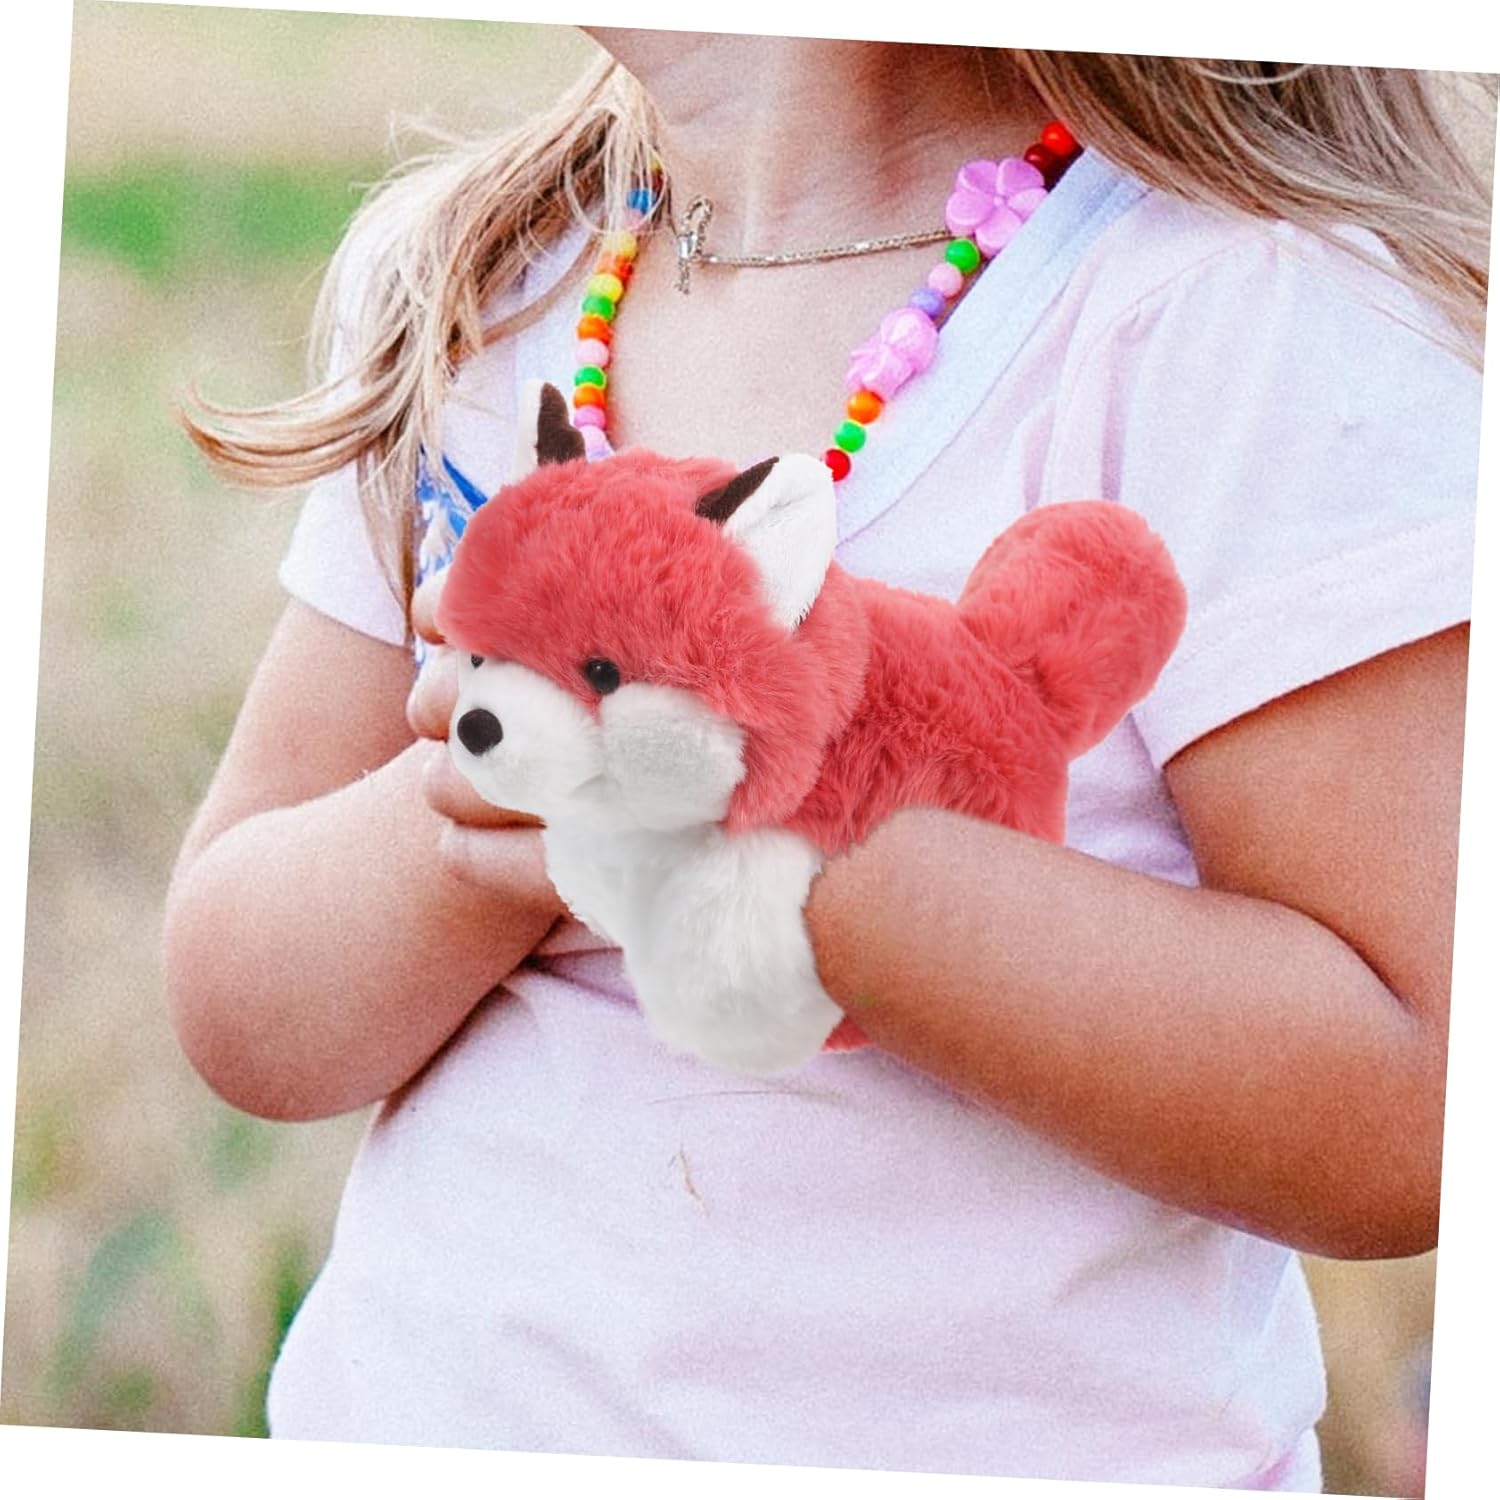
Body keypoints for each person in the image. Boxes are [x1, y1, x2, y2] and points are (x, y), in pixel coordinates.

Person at [164, 31, 1489, 1490]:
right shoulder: (484, 284)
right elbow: (243, 1003)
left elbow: (1408, 1105)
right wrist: (490, 811)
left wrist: (801, 849)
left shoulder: (1242, 305)